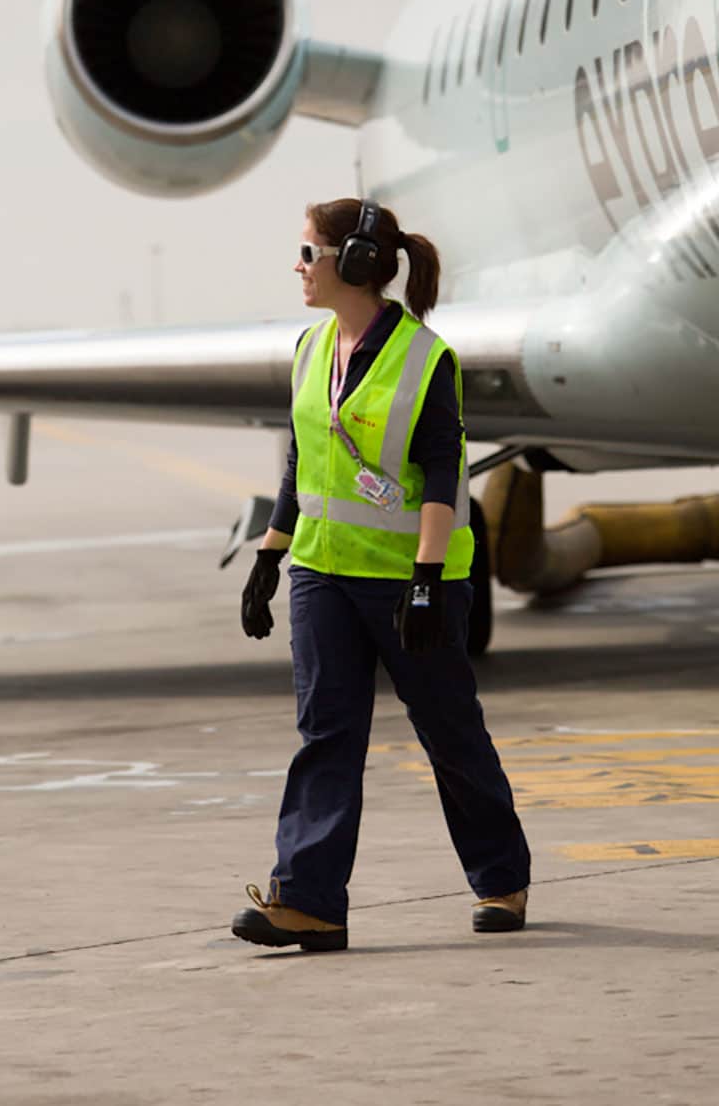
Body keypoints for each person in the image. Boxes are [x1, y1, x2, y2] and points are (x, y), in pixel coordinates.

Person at [232, 197, 530, 953]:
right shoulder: (310, 348)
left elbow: (441, 475)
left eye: (308, 254)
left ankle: (502, 875)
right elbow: (305, 460)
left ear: (356, 264)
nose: (297, 268)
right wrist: (271, 554)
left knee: (449, 730)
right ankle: (309, 901)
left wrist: (429, 579)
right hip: (323, 575)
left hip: (407, 583)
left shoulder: (427, 359)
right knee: (325, 734)